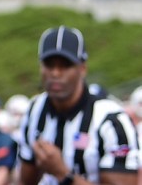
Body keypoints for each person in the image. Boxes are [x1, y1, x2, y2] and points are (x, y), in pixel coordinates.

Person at [18, 26, 140, 185]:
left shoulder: (112, 120)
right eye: (49, 64)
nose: (55, 73)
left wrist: (63, 174)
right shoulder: (35, 109)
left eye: (65, 65)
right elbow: (25, 180)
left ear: (82, 69)